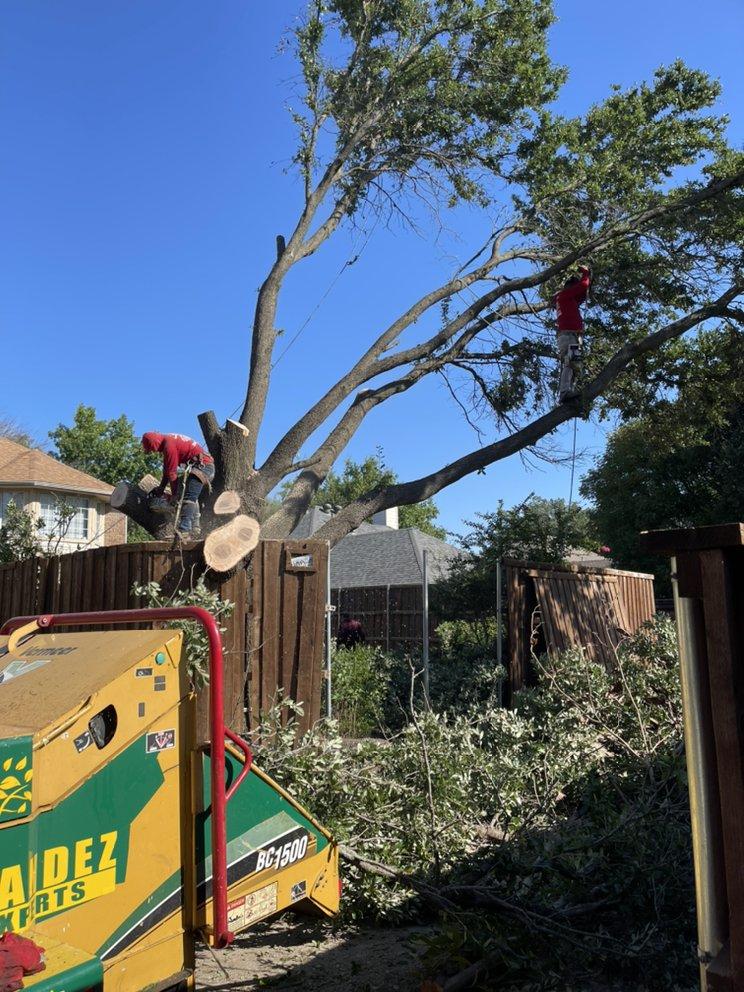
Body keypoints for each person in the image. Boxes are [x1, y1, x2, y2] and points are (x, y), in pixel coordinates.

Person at [141, 432, 215, 536]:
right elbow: (167, 471)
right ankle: (195, 527)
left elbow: (172, 473)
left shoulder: (169, 446)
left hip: (204, 467)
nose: (153, 452)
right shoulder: (168, 441)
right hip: (200, 466)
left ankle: (184, 529)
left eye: (152, 449)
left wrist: (175, 496)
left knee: (188, 497)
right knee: (187, 493)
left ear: (154, 443)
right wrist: (161, 488)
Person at [553, 264, 592, 403]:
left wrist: (587, 278)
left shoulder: (568, 300)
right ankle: (564, 392)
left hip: (572, 336)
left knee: (575, 365)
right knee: (570, 362)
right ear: (570, 287)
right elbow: (582, 286)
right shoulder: (563, 295)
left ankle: (571, 392)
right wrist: (585, 273)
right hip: (568, 336)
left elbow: (582, 291)